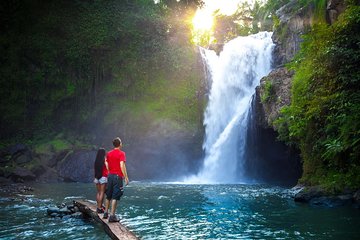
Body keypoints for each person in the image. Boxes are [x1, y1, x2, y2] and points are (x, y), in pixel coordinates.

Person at [103, 137, 129, 222]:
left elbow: (106, 163)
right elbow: (122, 165)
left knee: (108, 195)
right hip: (117, 177)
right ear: (120, 144)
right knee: (115, 196)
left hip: (110, 176)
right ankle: (112, 216)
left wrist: (109, 171)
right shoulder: (122, 153)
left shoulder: (109, 153)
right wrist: (126, 177)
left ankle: (105, 213)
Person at [93, 148, 108, 213]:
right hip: (103, 177)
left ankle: (99, 206)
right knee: (102, 192)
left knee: (99, 192)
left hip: (97, 178)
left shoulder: (96, 161)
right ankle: (100, 208)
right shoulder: (104, 160)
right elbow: (107, 168)